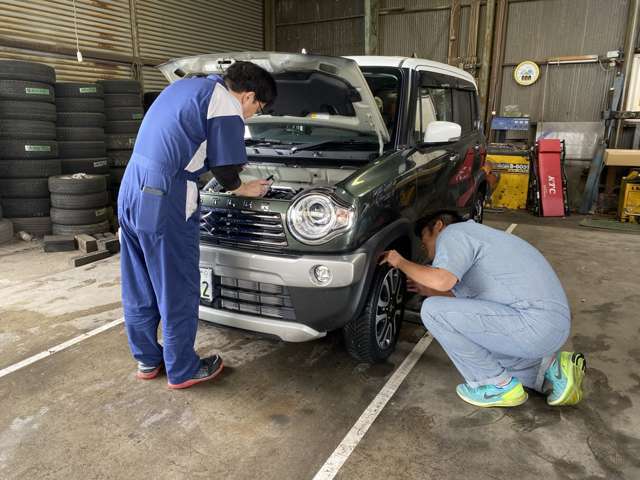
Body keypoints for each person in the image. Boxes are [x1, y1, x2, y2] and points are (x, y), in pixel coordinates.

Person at [118, 61, 277, 389]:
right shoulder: (225, 102)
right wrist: (242, 188)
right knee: (176, 284)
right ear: (247, 96)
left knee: (139, 281)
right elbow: (225, 166)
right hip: (165, 195)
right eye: (257, 108)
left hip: (131, 186)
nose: (251, 115)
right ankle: (182, 368)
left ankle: (148, 359)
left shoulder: (183, 87)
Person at [380, 212, 586, 408]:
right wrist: (429, 288)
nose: (426, 250)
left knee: (432, 311)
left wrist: (400, 261)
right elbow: (470, 312)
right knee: (514, 374)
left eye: (425, 240)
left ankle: (497, 386)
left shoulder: (454, 233)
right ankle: (554, 368)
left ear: (438, 226)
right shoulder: (484, 239)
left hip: (532, 325)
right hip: (546, 327)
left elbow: (442, 280)